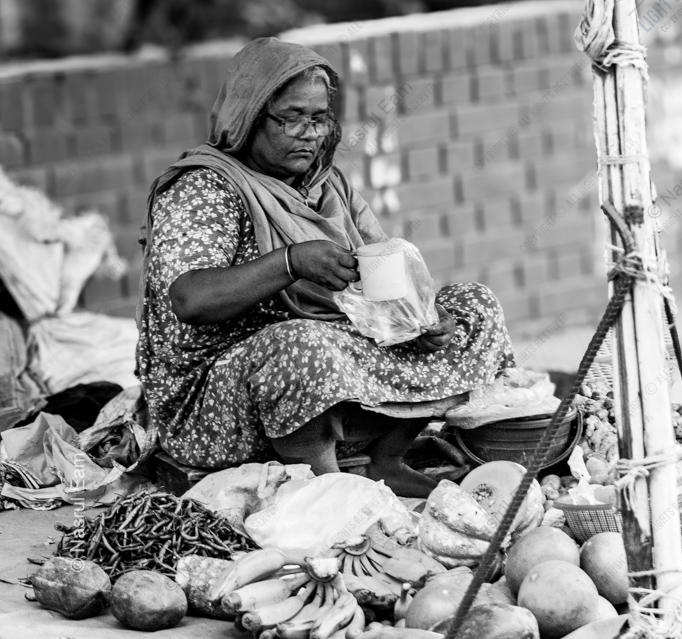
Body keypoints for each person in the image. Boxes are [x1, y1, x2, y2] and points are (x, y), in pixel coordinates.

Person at [135, 37, 515, 497]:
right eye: (290, 117)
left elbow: (385, 275)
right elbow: (190, 299)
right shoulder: (206, 188)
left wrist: (424, 319)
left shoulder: (327, 184)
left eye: (318, 118)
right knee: (300, 343)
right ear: (247, 118)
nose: (308, 133)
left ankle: (386, 460)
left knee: (474, 305)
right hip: (216, 401)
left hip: (330, 366)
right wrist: (291, 261)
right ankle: (326, 483)